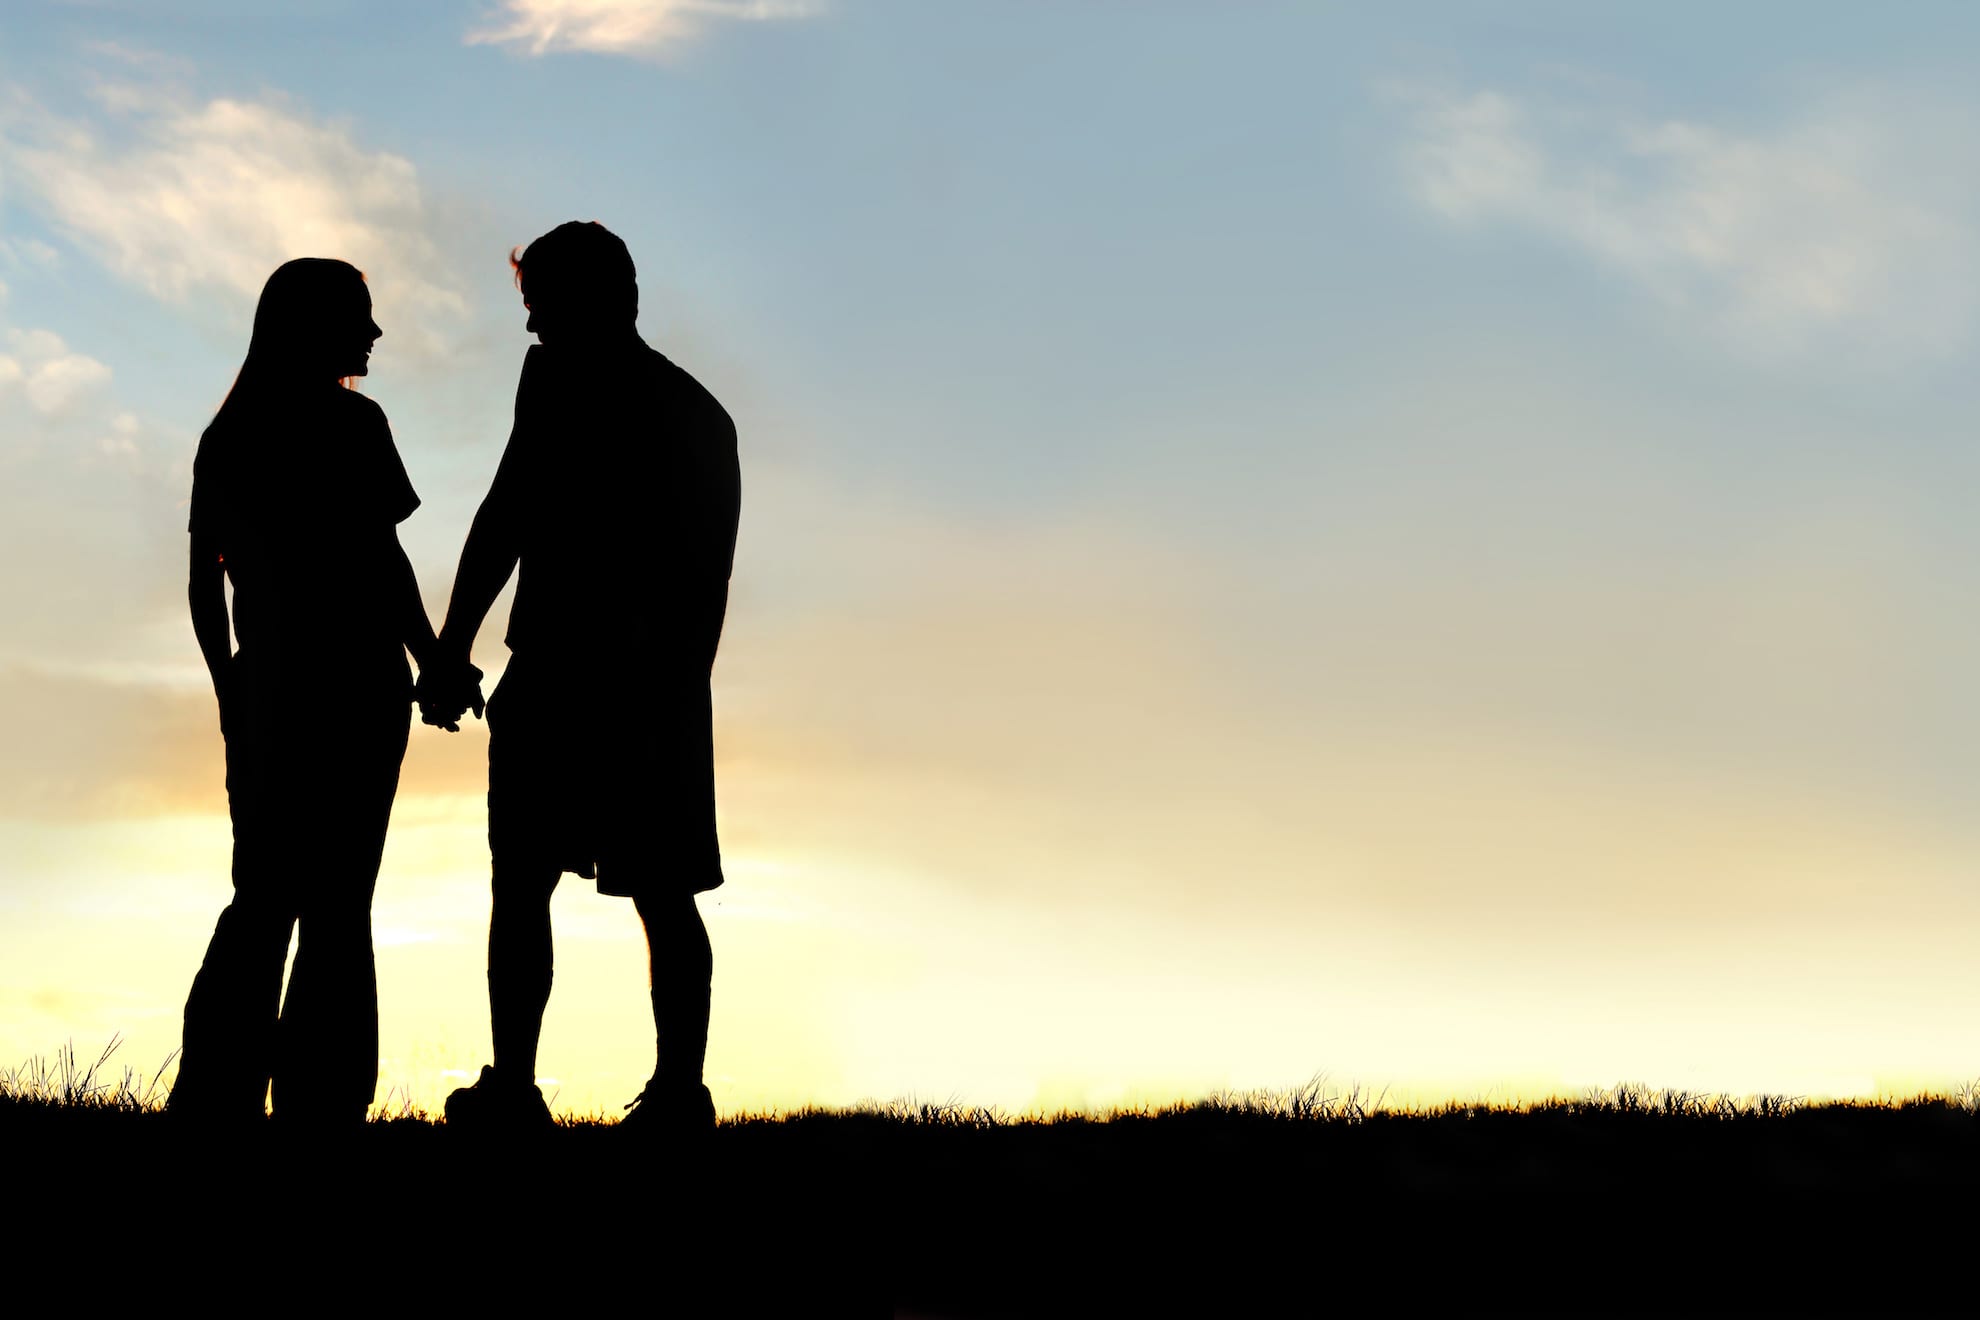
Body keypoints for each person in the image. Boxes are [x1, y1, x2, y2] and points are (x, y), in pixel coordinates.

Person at [421, 221, 740, 1133]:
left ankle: (626, 1090)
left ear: (596, 297)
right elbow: (509, 511)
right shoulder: (677, 406)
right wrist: (452, 644)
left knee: (598, 887)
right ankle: (608, 1089)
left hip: (612, 681)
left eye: (539, 307)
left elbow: (512, 515)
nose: (530, 329)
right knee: (596, 886)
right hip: (608, 681)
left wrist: (453, 646)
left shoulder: (667, 409)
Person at [169, 258, 442, 1125]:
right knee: (328, 904)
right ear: (315, 325)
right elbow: (383, 563)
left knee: (271, 897)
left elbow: (202, 583)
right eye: (360, 315)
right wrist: (429, 657)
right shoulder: (353, 425)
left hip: (291, 688)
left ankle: (223, 1098)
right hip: (347, 688)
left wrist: (229, 691)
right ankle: (317, 1107)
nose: (374, 332)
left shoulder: (234, 432)